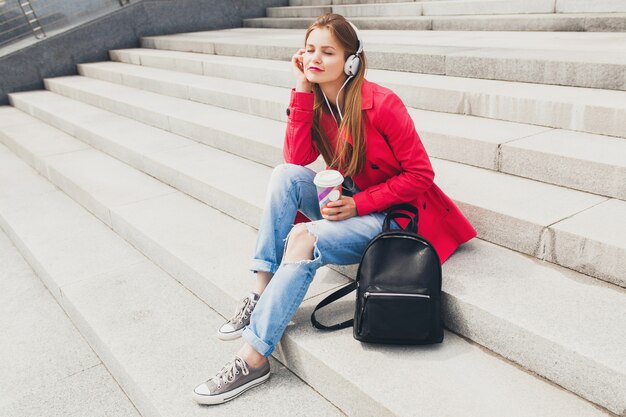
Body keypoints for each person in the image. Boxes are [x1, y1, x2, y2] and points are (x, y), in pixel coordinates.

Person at [193, 13, 476, 405]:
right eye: (309, 50)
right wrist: (301, 90)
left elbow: (421, 174)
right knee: (284, 175)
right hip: (346, 201)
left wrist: (359, 203)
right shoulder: (319, 102)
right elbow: (297, 157)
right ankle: (260, 293)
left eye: (328, 52)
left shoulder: (383, 104)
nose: (315, 58)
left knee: (302, 236)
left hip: (391, 216)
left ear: (351, 61)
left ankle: (254, 358)